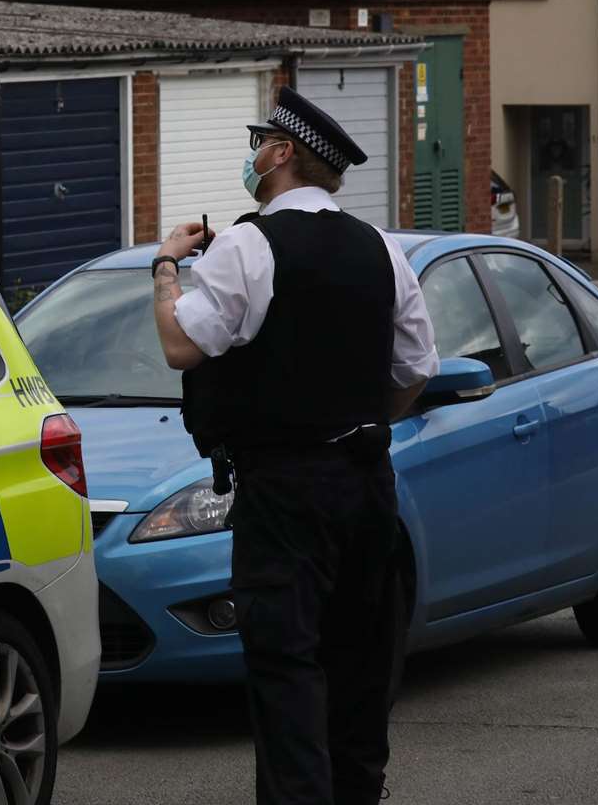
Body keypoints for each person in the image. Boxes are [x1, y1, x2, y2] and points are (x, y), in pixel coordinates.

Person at [149, 87, 439, 805]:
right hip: (369, 485)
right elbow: (415, 371)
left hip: (284, 491)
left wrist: (164, 268)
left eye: (259, 141)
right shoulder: (383, 250)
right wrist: (360, 421)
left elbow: (182, 344)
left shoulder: (250, 242)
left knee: (287, 676)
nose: (252, 155)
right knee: (360, 672)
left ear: (282, 154)